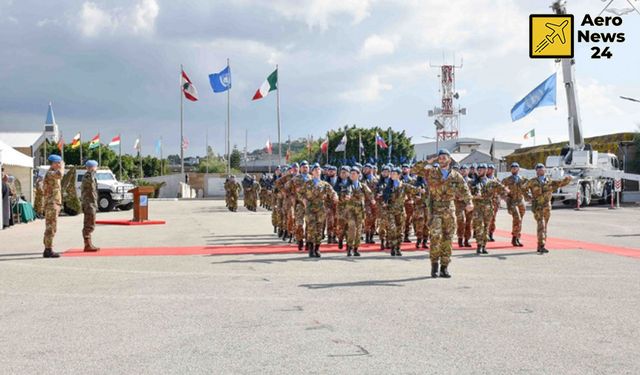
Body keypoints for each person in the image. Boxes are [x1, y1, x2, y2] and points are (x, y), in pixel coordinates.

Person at [413, 149, 473, 278]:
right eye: (440, 158)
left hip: (450, 209)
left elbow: (465, 189)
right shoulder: (431, 172)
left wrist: (469, 202)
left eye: (444, 157)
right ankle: (434, 265)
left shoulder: (456, 175)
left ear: (449, 160)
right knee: (435, 237)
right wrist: (428, 161)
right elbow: (415, 170)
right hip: (435, 209)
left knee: (448, 238)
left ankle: (444, 267)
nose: (441, 159)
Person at [524, 163, 572, 254]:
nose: (540, 170)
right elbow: (523, 188)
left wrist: (568, 179)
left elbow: (560, 184)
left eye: (541, 169)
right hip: (537, 206)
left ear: (545, 170)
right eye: (538, 169)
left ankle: (541, 245)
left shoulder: (549, 181)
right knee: (541, 224)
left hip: (547, 207)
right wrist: (528, 197)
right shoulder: (532, 181)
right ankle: (541, 245)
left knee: (544, 226)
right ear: (536, 171)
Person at [300, 164, 337, 258]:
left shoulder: (324, 184)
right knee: (311, 229)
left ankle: (317, 248)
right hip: (310, 209)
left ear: (320, 172)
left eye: (318, 169)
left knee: (319, 230)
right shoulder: (307, 183)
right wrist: (303, 200)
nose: (317, 171)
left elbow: (332, 192)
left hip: (321, 209)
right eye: (315, 169)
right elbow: (300, 193)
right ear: (312, 172)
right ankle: (311, 249)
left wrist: (335, 196)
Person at [470, 164, 508, 255]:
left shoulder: (492, 182)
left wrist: (505, 192)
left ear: (486, 170)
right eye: (478, 169)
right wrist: (475, 196)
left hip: (488, 207)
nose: (479, 171)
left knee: (486, 227)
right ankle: (479, 245)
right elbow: (467, 194)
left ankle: (484, 246)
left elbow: (502, 189)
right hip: (477, 207)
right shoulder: (472, 182)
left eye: (481, 169)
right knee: (479, 226)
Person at [381, 167, 416, 256]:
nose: (392, 175)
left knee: (400, 230)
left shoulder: (404, 186)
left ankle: (398, 247)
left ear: (399, 175)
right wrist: (384, 203)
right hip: (390, 211)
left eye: (394, 173)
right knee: (392, 229)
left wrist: (421, 190)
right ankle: (392, 247)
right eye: (391, 173)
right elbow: (383, 198)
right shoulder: (388, 186)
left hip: (400, 211)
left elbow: (414, 190)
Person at [344, 166, 374, 256]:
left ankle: (356, 248)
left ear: (358, 175)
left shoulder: (362, 186)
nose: (352, 175)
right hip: (350, 211)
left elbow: (369, 193)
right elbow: (344, 194)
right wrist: (345, 197)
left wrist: (372, 199)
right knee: (352, 228)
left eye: (354, 173)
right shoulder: (347, 185)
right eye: (351, 173)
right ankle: (349, 247)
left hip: (360, 211)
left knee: (359, 230)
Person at [42, 154, 65, 258]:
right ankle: (48, 250)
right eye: (58, 163)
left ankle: (48, 248)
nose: (60, 164)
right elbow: (60, 174)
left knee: (52, 226)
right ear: (54, 163)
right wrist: (63, 167)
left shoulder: (53, 173)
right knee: (50, 227)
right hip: (51, 204)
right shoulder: (51, 173)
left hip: (54, 203)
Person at [285, 161, 310, 250]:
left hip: (309, 205)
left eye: (306, 167)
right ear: (301, 168)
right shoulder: (295, 179)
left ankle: (308, 241)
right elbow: (286, 187)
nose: (305, 169)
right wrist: (291, 197)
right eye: (303, 167)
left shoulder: (311, 178)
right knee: (299, 223)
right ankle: (300, 240)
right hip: (299, 204)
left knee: (309, 224)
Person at [502, 162, 528, 247]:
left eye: (516, 167)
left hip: (521, 201)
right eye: (512, 167)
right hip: (512, 201)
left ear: (518, 169)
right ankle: (514, 238)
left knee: (520, 220)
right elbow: (501, 190)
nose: (514, 168)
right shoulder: (506, 180)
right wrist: (506, 198)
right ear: (510, 169)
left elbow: (526, 190)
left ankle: (517, 238)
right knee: (517, 218)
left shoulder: (523, 179)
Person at [81, 160, 100, 252]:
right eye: (96, 166)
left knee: (90, 224)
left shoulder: (90, 176)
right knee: (89, 224)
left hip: (90, 203)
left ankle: (89, 244)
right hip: (89, 204)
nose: (97, 168)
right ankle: (87, 245)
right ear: (92, 167)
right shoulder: (89, 176)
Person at [333, 166, 351, 250]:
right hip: (340, 207)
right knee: (341, 225)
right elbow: (335, 193)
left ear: (348, 173)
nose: (343, 174)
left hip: (350, 208)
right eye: (341, 172)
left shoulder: (351, 183)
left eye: (345, 172)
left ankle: (348, 243)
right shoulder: (337, 183)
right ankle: (340, 238)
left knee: (349, 225)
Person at [412, 175, 430, 249]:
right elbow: (413, 195)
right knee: (419, 224)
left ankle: (425, 241)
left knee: (427, 224)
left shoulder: (431, 182)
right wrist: (418, 194)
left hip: (428, 207)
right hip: (419, 207)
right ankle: (418, 240)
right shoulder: (416, 183)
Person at [362, 164, 379, 244]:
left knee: (374, 219)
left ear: (371, 169)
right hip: (366, 203)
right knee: (368, 219)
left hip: (375, 203)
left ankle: (371, 237)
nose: (365, 170)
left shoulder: (377, 179)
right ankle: (367, 237)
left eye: (366, 168)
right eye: (364, 168)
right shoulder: (362, 180)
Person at [486, 164, 499, 242]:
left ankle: (491, 233)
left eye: (492, 169)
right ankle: (485, 234)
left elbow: (500, 190)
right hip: (486, 202)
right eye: (489, 169)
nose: (490, 170)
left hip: (494, 202)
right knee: (486, 219)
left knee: (493, 219)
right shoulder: (484, 179)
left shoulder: (496, 180)